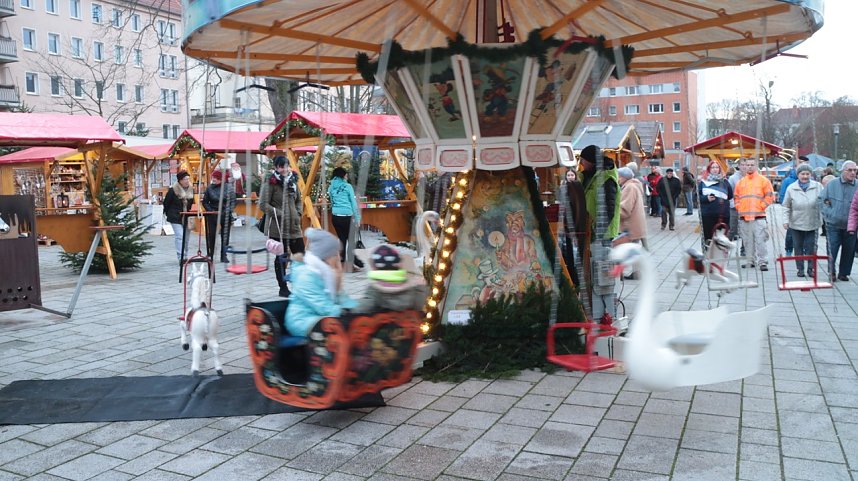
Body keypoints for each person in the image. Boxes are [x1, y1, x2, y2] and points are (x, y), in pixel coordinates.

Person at [285, 228, 357, 336]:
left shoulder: (328, 273)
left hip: (320, 317)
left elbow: (341, 298)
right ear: (326, 256)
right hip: (301, 321)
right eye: (336, 254)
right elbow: (322, 305)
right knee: (336, 328)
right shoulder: (306, 276)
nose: (339, 257)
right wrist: (344, 314)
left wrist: (356, 310)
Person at [579, 145, 620, 321]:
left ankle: (607, 318)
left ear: (590, 160)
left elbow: (608, 209)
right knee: (593, 278)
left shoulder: (606, 178)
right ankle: (595, 317)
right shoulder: (589, 176)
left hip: (601, 237)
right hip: (590, 234)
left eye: (583, 160)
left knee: (602, 281)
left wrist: (597, 231)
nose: (580, 163)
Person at [260, 155, 304, 297]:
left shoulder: (293, 181)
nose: (284, 169)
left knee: (300, 256)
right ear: (276, 167)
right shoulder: (271, 183)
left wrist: (298, 212)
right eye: (281, 166)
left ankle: (300, 284)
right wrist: (278, 213)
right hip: (278, 228)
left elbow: (299, 200)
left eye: (286, 166)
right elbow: (263, 204)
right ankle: (283, 287)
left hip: (294, 226)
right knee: (281, 258)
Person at [354, 244, 427, 313]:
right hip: (408, 322)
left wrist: (350, 308)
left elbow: (366, 305)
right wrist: (422, 288)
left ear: (375, 267)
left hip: (385, 324)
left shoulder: (375, 288)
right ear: (399, 266)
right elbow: (420, 305)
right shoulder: (410, 285)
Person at [734, 158, 775, 271]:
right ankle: (750, 260)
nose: (750, 167)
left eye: (752, 164)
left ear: (756, 166)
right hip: (744, 217)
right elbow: (736, 197)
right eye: (748, 165)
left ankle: (763, 262)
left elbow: (770, 196)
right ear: (744, 166)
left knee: (760, 240)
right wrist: (739, 207)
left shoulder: (763, 181)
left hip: (759, 216)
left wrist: (761, 206)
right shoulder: (741, 182)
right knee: (747, 241)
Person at [819, 160, 858, 281]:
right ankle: (832, 272)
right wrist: (829, 213)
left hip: (851, 225)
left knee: (849, 249)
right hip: (833, 224)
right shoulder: (832, 184)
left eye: (855, 170)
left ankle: (844, 273)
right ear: (843, 171)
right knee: (832, 249)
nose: (853, 173)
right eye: (849, 170)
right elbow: (821, 200)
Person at [782, 164, 822, 278]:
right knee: (798, 246)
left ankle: (811, 268)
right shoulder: (791, 188)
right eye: (802, 174)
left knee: (812, 246)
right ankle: (800, 269)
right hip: (796, 222)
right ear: (798, 175)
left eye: (807, 174)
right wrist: (785, 221)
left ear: (811, 174)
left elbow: (823, 202)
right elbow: (786, 206)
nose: (805, 176)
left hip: (812, 221)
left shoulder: (818, 186)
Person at [328, 167, 364, 270]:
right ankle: (352, 262)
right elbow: (353, 204)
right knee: (351, 240)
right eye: (346, 175)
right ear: (343, 175)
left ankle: (342, 263)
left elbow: (332, 201)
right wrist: (357, 218)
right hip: (347, 217)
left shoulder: (330, 187)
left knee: (342, 239)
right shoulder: (348, 187)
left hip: (335, 217)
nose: (347, 176)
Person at [201, 169, 236, 263]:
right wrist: (210, 210)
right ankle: (211, 253)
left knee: (225, 235)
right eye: (213, 178)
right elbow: (205, 201)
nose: (214, 180)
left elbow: (233, 201)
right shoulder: (209, 188)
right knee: (211, 235)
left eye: (216, 178)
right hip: (212, 214)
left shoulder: (228, 187)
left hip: (225, 213)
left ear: (221, 179)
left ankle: (223, 255)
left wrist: (228, 211)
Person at [778, 156, 809, 255]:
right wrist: (787, 207)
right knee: (791, 232)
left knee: (806, 231)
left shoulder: (811, 179)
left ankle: (804, 249)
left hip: (807, 211)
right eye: (801, 162)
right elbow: (782, 195)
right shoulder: (788, 180)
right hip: (793, 210)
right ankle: (789, 249)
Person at [162, 170, 194, 262]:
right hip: (175, 217)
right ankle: (181, 257)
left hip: (188, 217)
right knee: (180, 236)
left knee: (186, 238)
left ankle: (186, 256)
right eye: (185, 179)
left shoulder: (192, 189)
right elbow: (166, 203)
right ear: (180, 180)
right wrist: (169, 214)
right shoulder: (173, 190)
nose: (187, 181)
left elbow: (193, 203)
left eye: (188, 178)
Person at [698, 161, 733, 244]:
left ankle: (721, 256)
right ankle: (708, 255)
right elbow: (697, 198)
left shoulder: (725, 182)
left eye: (717, 167)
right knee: (708, 239)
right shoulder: (703, 183)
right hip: (708, 215)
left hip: (723, 215)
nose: (715, 169)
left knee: (722, 240)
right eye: (712, 167)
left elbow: (730, 196)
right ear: (709, 169)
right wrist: (706, 198)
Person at [617, 167, 647, 249]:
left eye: (618, 176)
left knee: (628, 253)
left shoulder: (629, 187)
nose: (617, 179)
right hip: (633, 226)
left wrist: (614, 213)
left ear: (623, 177)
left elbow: (625, 209)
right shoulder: (633, 185)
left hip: (630, 227)